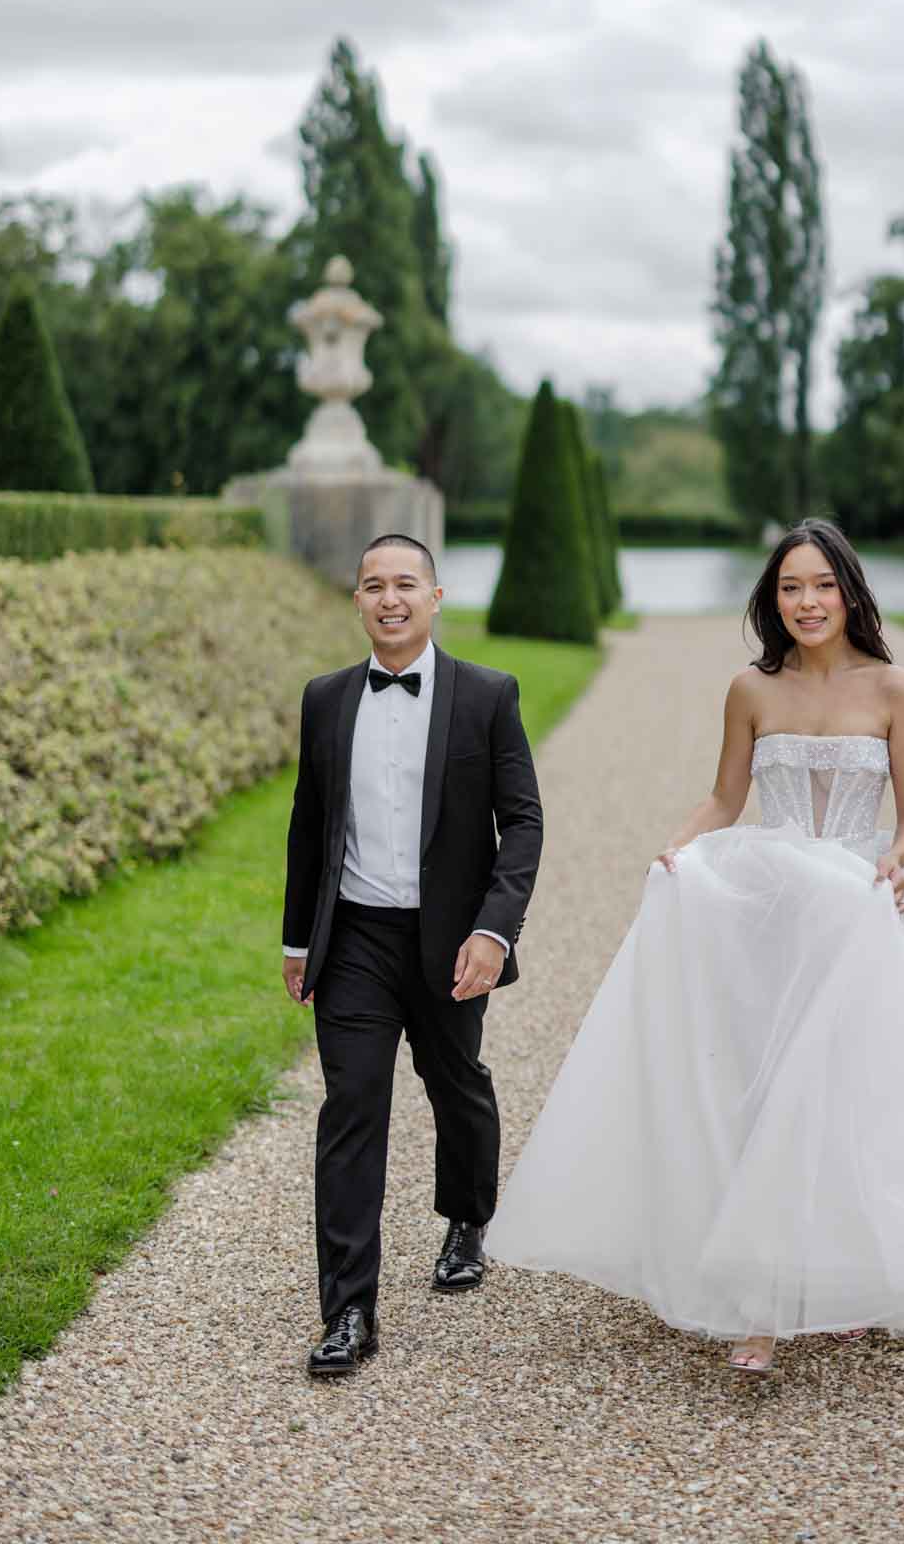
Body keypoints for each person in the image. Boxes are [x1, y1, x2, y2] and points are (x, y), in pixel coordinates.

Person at [487, 518, 904, 1374]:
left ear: (850, 590)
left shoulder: (897, 690)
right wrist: (678, 847)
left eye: (821, 585)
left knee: (851, 1094)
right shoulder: (752, 690)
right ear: (771, 599)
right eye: (790, 588)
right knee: (769, 1083)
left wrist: (893, 864)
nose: (807, 602)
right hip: (775, 909)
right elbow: (724, 798)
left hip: (862, 904)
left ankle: (819, 1287)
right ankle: (768, 1296)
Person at [282, 533, 543, 1377]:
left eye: (405, 584)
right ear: (356, 602)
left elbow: (524, 823)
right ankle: (348, 1312)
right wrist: (298, 941)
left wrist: (492, 931)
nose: (389, 598)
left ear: (436, 597)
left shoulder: (487, 696)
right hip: (354, 937)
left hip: (450, 941)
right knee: (351, 1110)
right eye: (372, 586)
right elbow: (308, 829)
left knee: (455, 1083)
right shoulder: (324, 700)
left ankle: (468, 1216)